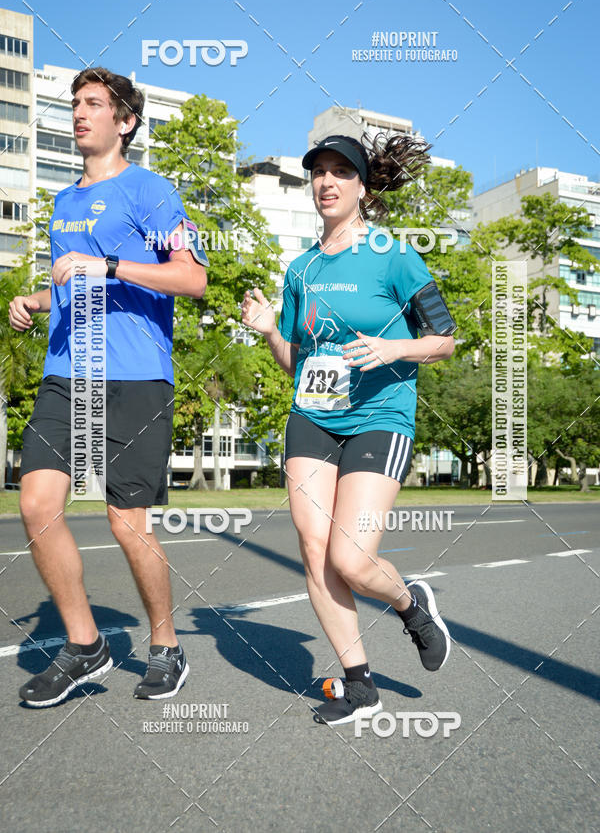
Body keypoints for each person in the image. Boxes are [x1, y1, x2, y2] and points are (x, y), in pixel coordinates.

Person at [9, 67, 208, 707]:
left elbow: (193, 279)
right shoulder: (64, 203)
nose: (78, 114)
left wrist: (111, 264)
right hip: (69, 373)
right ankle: (85, 644)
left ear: (125, 121)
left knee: (128, 524)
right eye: (74, 104)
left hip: (136, 376)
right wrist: (40, 299)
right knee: (37, 504)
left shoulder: (153, 193)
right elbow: (77, 284)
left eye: (93, 104)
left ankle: (166, 646)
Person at [241, 133, 456, 725]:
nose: (327, 182)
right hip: (312, 415)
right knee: (315, 552)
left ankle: (412, 606)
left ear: (363, 186)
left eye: (341, 172)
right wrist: (267, 331)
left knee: (354, 560)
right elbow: (299, 362)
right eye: (319, 173)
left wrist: (395, 348)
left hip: (380, 417)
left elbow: (446, 339)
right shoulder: (301, 269)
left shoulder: (394, 255)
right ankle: (360, 685)